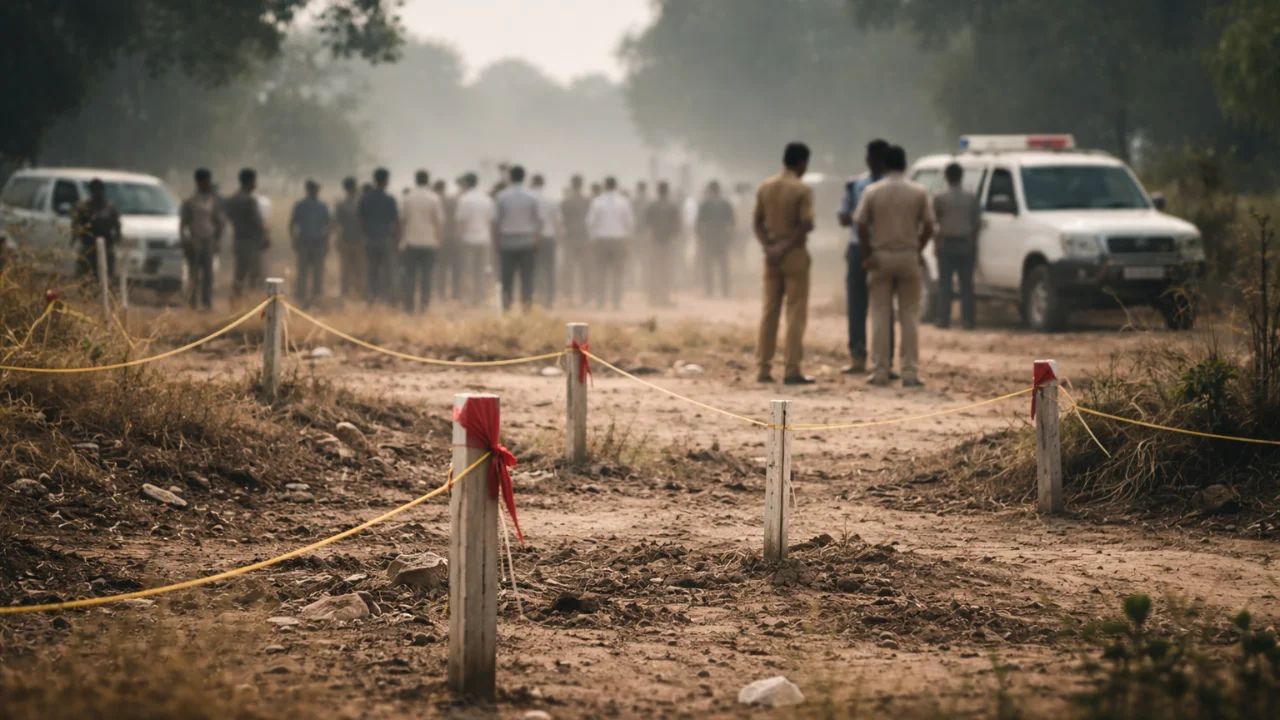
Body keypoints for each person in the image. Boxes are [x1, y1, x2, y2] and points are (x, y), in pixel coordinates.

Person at [854, 145, 936, 388]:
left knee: (880, 315)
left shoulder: (872, 191)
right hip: (908, 256)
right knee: (909, 316)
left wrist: (868, 253)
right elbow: (929, 225)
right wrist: (918, 248)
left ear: (885, 165)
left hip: (880, 258)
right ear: (905, 164)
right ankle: (909, 373)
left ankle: (880, 371)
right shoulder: (918, 191)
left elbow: (860, 224)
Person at [754, 143, 817, 385]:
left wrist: (769, 247)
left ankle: (763, 368)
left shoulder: (766, 186)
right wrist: (785, 246)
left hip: (771, 257)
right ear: (802, 163)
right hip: (794, 256)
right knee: (795, 312)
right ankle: (791, 369)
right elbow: (806, 224)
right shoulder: (802, 189)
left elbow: (757, 223)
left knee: (769, 311)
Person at [838, 139, 894, 375]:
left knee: (884, 308)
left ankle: (884, 361)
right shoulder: (855, 186)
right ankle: (858, 357)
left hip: (882, 249)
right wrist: (861, 217)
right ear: (868, 160)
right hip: (858, 247)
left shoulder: (892, 187)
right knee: (856, 305)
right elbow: (842, 217)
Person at [933, 162, 981, 330]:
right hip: (966, 245)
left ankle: (943, 319)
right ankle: (967, 320)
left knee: (945, 284)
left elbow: (935, 222)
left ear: (947, 177)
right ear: (961, 176)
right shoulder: (971, 197)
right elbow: (977, 223)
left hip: (946, 244)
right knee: (966, 285)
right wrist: (973, 244)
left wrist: (936, 244)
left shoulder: (940, 197)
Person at [492, 165, 544, 312]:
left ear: (510, 177)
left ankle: (506, 308)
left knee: (506, 279)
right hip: (527, 241)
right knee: (527, 279)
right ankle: (527, 308)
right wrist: (537, 241)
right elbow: (538, 221)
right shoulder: (532, 196)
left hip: (507, 242)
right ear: (524, 177)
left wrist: (496, 242)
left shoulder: (502, 196)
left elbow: (496, 222)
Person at [397, 170, 445, 314]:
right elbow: (439, 222)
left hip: (411, 242)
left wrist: (401, 239)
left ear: (415, 180)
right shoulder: (434, 198)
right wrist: (438, 239)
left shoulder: (408, 198)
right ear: (427, 180)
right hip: (429, 242)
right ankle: (424, 306)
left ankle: (409, 307)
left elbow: (402, 221)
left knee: (410, 276)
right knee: (427, 276)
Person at [179, 168, 225, 310]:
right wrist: (185, 241)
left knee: (208, 274)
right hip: (195, 241)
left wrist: (217, 240)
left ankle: (207, 302)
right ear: (199, 182)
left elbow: (218, 222)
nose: (208, 184)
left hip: (208, 240)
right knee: (193, 274)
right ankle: (191, 302)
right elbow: (183, 224)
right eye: (206, 182)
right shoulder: (190, 201)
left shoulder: (213, 201)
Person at [586, 176, 635, 310]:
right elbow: (629, 224)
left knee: (601, 272)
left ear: (605, 186)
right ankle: (616, 302)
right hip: (619, 241)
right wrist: (628, 241)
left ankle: (601, 302)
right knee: (617, 273)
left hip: (601, 241)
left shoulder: (597, 202)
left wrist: (592, 239)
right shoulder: (624, 202)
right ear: (616, 186)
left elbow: (590, 223)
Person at [223, 168, 268, 300]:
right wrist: (265, 235)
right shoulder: (250, 200)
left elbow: (229, 219)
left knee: (239, 274)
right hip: (252, 242)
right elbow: (258, 222)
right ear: (251, 181)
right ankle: (251, 301)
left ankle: (236, 301)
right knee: (255, 274)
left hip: (238, 240)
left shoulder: (232, 200)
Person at [358, 167, 399, 306]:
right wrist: (396, 239)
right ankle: (386, 300)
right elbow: (395, 221)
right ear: (386, 181)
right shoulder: (390, 199)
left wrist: (366, 235)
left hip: (370, 239)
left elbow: (361, 220)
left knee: (372, 271)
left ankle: (372, 299)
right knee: (387, 272)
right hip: (385, 240)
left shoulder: (365, 199)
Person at [454, 173, 496, 306]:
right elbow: (491, 220)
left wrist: (459, 238)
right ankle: (481, 297)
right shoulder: (487, 199)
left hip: (468, 240)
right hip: (484, 239)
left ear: (466, 183)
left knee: (468, 270)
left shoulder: (464, 199)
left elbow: (460, 222)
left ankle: (468, 299)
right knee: (482, 270)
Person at [288, 180, 331, 309]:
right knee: (313, 272)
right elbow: (328, 226)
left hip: (309, 243)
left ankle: (307, 298)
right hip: (313, 243)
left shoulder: (301, 205)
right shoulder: (321, 206)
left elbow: (292, 225)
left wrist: (294, 240)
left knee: (306, 272)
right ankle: (312, 298)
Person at [71, 178, 122, 282]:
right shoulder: (84, 207)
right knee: (85, 276)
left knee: (105, 275)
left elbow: (117, 226)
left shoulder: (109, 208)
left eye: (99, 189)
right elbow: (76, 224)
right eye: (95, 189)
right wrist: (74, 239)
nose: (97, 192)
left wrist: (117, 241)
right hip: (88, 246)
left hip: (106, 246)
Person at [696, 180, 736, 298]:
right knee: (722, 266)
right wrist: (730, 238)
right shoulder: (725, 204)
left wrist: (701, 237)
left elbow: (698, 224)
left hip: (711, 239)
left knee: (711, 266)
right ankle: (724, 291)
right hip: (719, 239)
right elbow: (732, 223)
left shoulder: (705, 204)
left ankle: (711, 291)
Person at [644, 181, 682, 307]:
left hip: (655, 242)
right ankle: (664, 298)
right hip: (667, 243)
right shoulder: (672, 206)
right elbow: (678, 226)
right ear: (667, 191)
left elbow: (646, 224)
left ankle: (653, 298)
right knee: (666, 271)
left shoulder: (652, 206)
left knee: (654, 270)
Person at [530, 174, 562, 308]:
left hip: (531, 239)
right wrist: (558, 240)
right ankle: (549, 300)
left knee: (534, 270)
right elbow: (557, 222)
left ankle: (536, 298)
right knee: (550, 271)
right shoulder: (551, 199)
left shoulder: (529, 198)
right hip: (549, 238)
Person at [560, 174, 592, 305]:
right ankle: (586, 297)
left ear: (572, 185)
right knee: (585, 269)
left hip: (570, 238)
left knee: (569, 270)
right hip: (584, 238)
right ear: (581, 185)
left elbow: (562, 222)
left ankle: (569, 297)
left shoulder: (565, 202)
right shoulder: (588, 202)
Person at [334, 177, 365, 301]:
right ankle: (359, 293)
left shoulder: (341, 204)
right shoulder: (362, 202)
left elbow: (337, 223)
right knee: (359, 269)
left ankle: (345, 294)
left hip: (345, 239)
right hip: (359, 239)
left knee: (345, 270)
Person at [433, 179, 460, 302]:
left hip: (440, 239)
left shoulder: (435, 201)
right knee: (455, 268)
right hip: (454, 238)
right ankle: (455, 293)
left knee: (441, 268)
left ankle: (441, 293)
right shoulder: (452, 201)